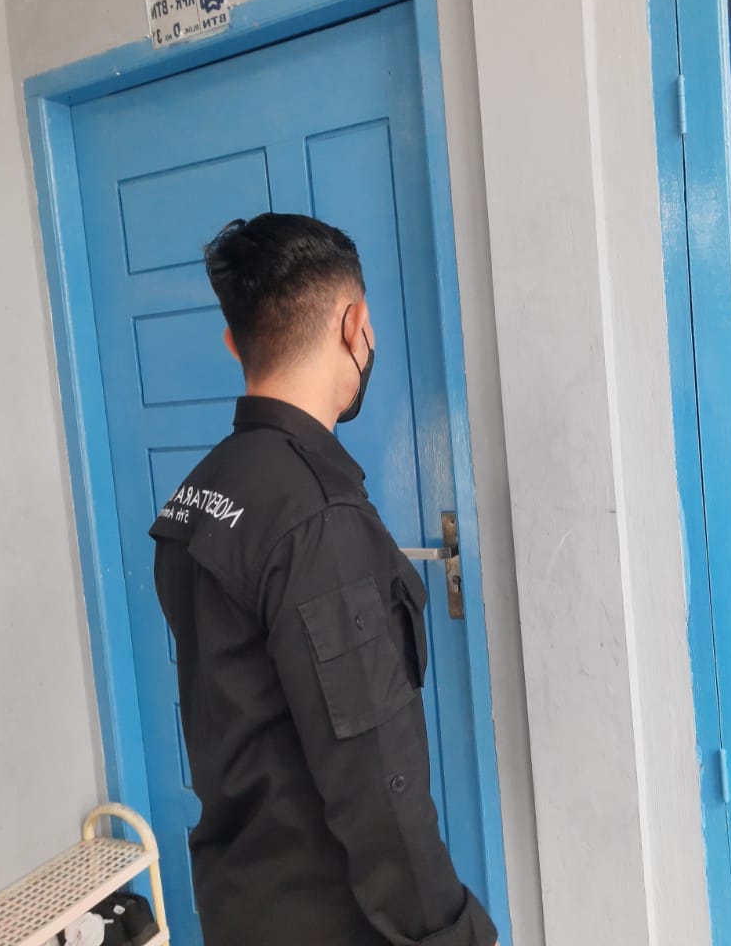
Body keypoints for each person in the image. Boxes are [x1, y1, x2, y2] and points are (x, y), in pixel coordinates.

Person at [149, 214, 499, 946]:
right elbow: (377, 783)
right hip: (330, 919)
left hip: (241, 901)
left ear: (233, 343)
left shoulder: (200, 491)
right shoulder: (317, 518)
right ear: (355, 325)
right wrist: (451, 933)